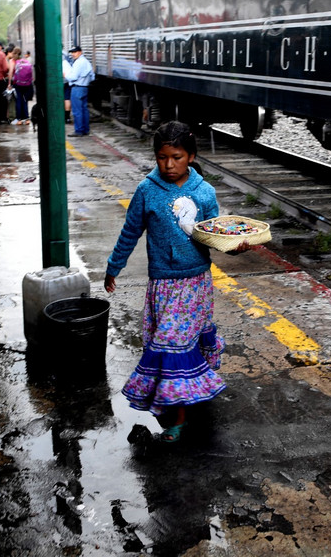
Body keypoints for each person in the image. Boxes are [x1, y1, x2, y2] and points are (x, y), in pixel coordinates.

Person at [104, 122, 233, 443]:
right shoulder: (147, 191)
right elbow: (130, 231)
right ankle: (179, 408)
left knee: (179, 345)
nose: (169, 165)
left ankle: (178, 415)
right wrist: (113, 266)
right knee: (169, 345)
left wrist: (236, 244)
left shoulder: (205, 192)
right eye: (162, 157)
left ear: (190, 156)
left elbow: (215, 234)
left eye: (176, 157)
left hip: (197, 284)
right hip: (164, 286)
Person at [67, 45, 94, 136]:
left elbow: (73, 77)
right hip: (84, 88)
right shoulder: (86, 62)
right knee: (84, 110)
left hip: (77, 88)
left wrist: (65, 75)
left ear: (80, 52)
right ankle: (85, 130)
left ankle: (78, 131)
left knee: (77, 111)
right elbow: (92, 76)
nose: (73, 54)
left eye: (75, 52)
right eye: (72, 52)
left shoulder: (78, 63)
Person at [10, 48, 33, 124]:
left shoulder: (14, 62)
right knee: (25, 101)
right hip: (27, 84)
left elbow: (10, 73)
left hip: (18, 84)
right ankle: (27, 119)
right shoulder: (25, 61)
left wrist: (9, 83)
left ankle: (19, 119)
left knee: (18, 101)